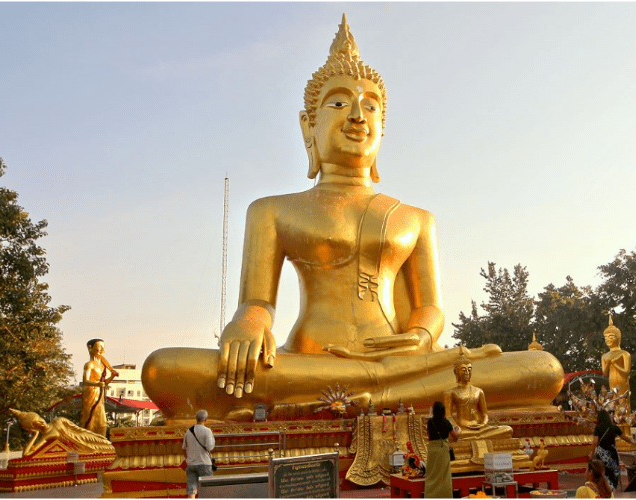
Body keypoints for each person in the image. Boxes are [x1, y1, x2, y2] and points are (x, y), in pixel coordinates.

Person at [141, 15, 565, 423]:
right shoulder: (272, 210)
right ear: (308, 127)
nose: (358, 115)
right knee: (164, 369)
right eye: (339, 102)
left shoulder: (415, 219)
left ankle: (372, 391)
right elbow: (258, 302)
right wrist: (247, 325)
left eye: (372, 106)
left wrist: (419, 337)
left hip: (402, 364)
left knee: (544, 368)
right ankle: (385, 396)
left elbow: (430, 308)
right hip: (307, 363)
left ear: (383, 126)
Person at [443, 348, 512, 439]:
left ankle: (476, 437)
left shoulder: (478, 391)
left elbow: (485, 414)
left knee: (508, 429)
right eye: (463, 370)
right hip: (463, 429)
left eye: (469, 369)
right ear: (456, 372)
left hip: (481, 428)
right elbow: (448, 416)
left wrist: (483, 424)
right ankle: (477, 437)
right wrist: (455, 427)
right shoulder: (450, 392)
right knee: (450, 436)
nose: (467, 372)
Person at [10, 408, 114, 457]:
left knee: (106, 444)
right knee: (105, 449)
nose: (41, 422)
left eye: (40, 418)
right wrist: (35, 435)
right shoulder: (45, 437)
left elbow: (77, 429)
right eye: (36, 424)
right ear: (34, 428)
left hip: (83, 437)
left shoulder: (58, 420)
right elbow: (26, 455)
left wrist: (93, 435)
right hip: (79, 448)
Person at [589, 408, 634, 491]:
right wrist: (633, 443)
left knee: (601, 469)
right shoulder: (614, 427)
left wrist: (592, 452)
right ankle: (612, 487)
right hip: (612, 451)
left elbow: (595, 442)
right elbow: (624, 437)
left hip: (601, 451)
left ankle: (601, 486)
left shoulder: (598, 428)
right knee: (613, 469)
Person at [80, 338, 118, 436]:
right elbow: (85, 381)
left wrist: (112, 376)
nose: (102, 350)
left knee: (102, 423)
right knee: (90, 419)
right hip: (90, 393)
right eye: (99, 347)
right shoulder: (89, 365)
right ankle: (88, 441)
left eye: (103, 347)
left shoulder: (102, 366)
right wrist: (97, 384)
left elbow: (104, 383)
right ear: (90, 348)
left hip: (99, 394)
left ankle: (101, 442)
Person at [424, 401, 459, 498]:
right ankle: (445, 495)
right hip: (443, 449)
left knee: (432, 473)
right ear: (444, 411)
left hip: (433, 449)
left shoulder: (430, 422)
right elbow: (455, 436)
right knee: (444, 474)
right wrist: (457, 430)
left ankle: (431, 496)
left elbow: (428, 436)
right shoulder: (446, 422)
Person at [182, 409, 216, 498]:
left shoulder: (188, 431)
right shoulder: (207, 431)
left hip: (191, 464)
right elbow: (209, 447)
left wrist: (188, 459)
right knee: (207, 489)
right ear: (206, 419)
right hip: (204, 463)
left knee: (191, 489)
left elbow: (184, 448)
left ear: (196, 419)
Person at [600, 316, 631, 399]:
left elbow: (626, 372)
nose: (607, 340)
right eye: (606, 337)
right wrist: (609, 363)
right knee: (614, 401)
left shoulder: (624, 354)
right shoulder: (605, 356)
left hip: (622, 382)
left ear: (618, 338)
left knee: (623, 401)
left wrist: (615, 364)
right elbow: (605, 373)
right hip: (612, 381)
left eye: (611, 337)